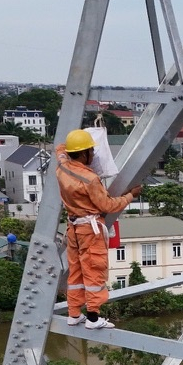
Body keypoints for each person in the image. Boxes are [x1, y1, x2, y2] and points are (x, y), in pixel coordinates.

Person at [57, 128, 142, 330]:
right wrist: (131, 196)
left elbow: (59, 150)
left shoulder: (61, 167)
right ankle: (93, 318)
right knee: (94, 270)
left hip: (73, 228)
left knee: (76, 271)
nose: (94, 155)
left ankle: (74, 313)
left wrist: (78, 139)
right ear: (84, 153)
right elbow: (108, 206)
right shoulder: (90, 179)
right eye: (91, 151)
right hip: (89, 229)